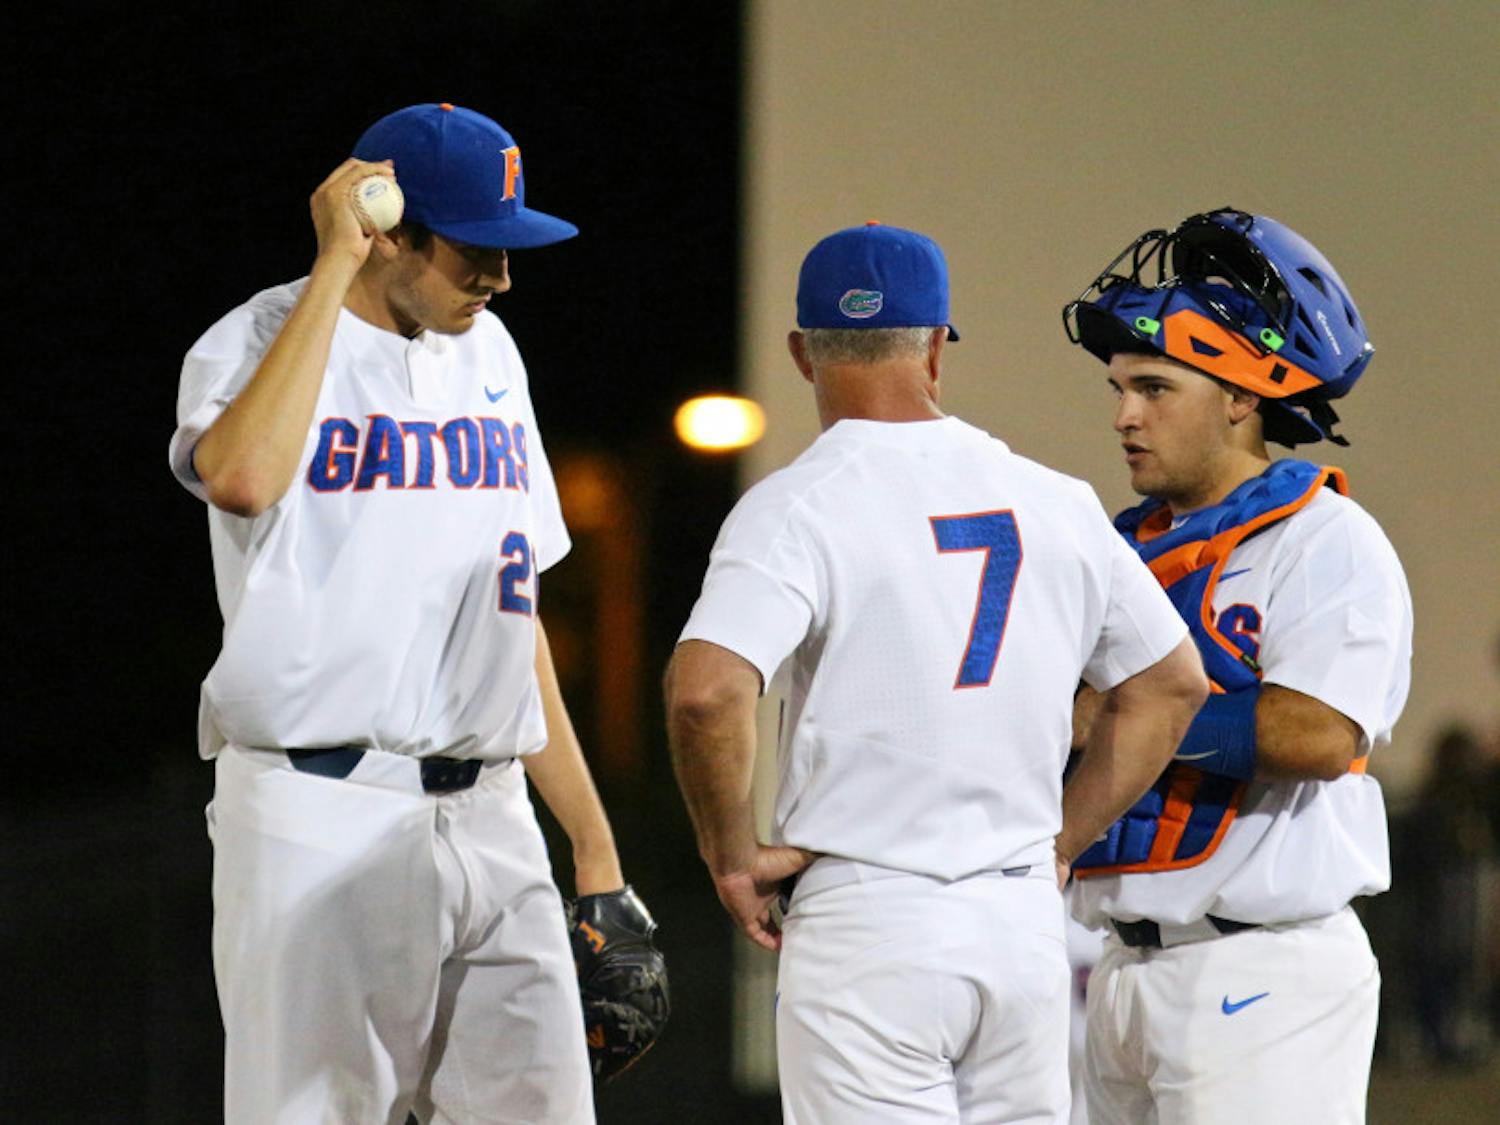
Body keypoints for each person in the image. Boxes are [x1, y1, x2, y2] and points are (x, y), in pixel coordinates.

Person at [665, 222, 1207, 1123]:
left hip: (869, 913)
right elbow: (1172, 682)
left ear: (802, 355)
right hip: (1020, 918)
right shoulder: (1055, 499)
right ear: (934, 347)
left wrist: (731, 856)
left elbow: (705, 691)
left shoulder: (796, 504)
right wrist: (1062, 842)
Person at [169, 102, 642, 1123]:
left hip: (493, 814)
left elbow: (511, 622)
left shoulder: (492, 353)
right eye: (477, 249)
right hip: (322, 806)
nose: (500, 277)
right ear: (384, 226)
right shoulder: (256, 337)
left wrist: (595, 852)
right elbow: (242, 479)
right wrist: (333, 274)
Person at [1061, 206, 1414, 1123]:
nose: (1123, 415)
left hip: (1261, 970)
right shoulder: (1116, 547)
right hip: (1120, 969)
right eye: (1118, 387)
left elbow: (1319, 733)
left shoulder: (1325, 538)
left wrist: (1110, 720)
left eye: (1154, 386)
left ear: (1241, 394)